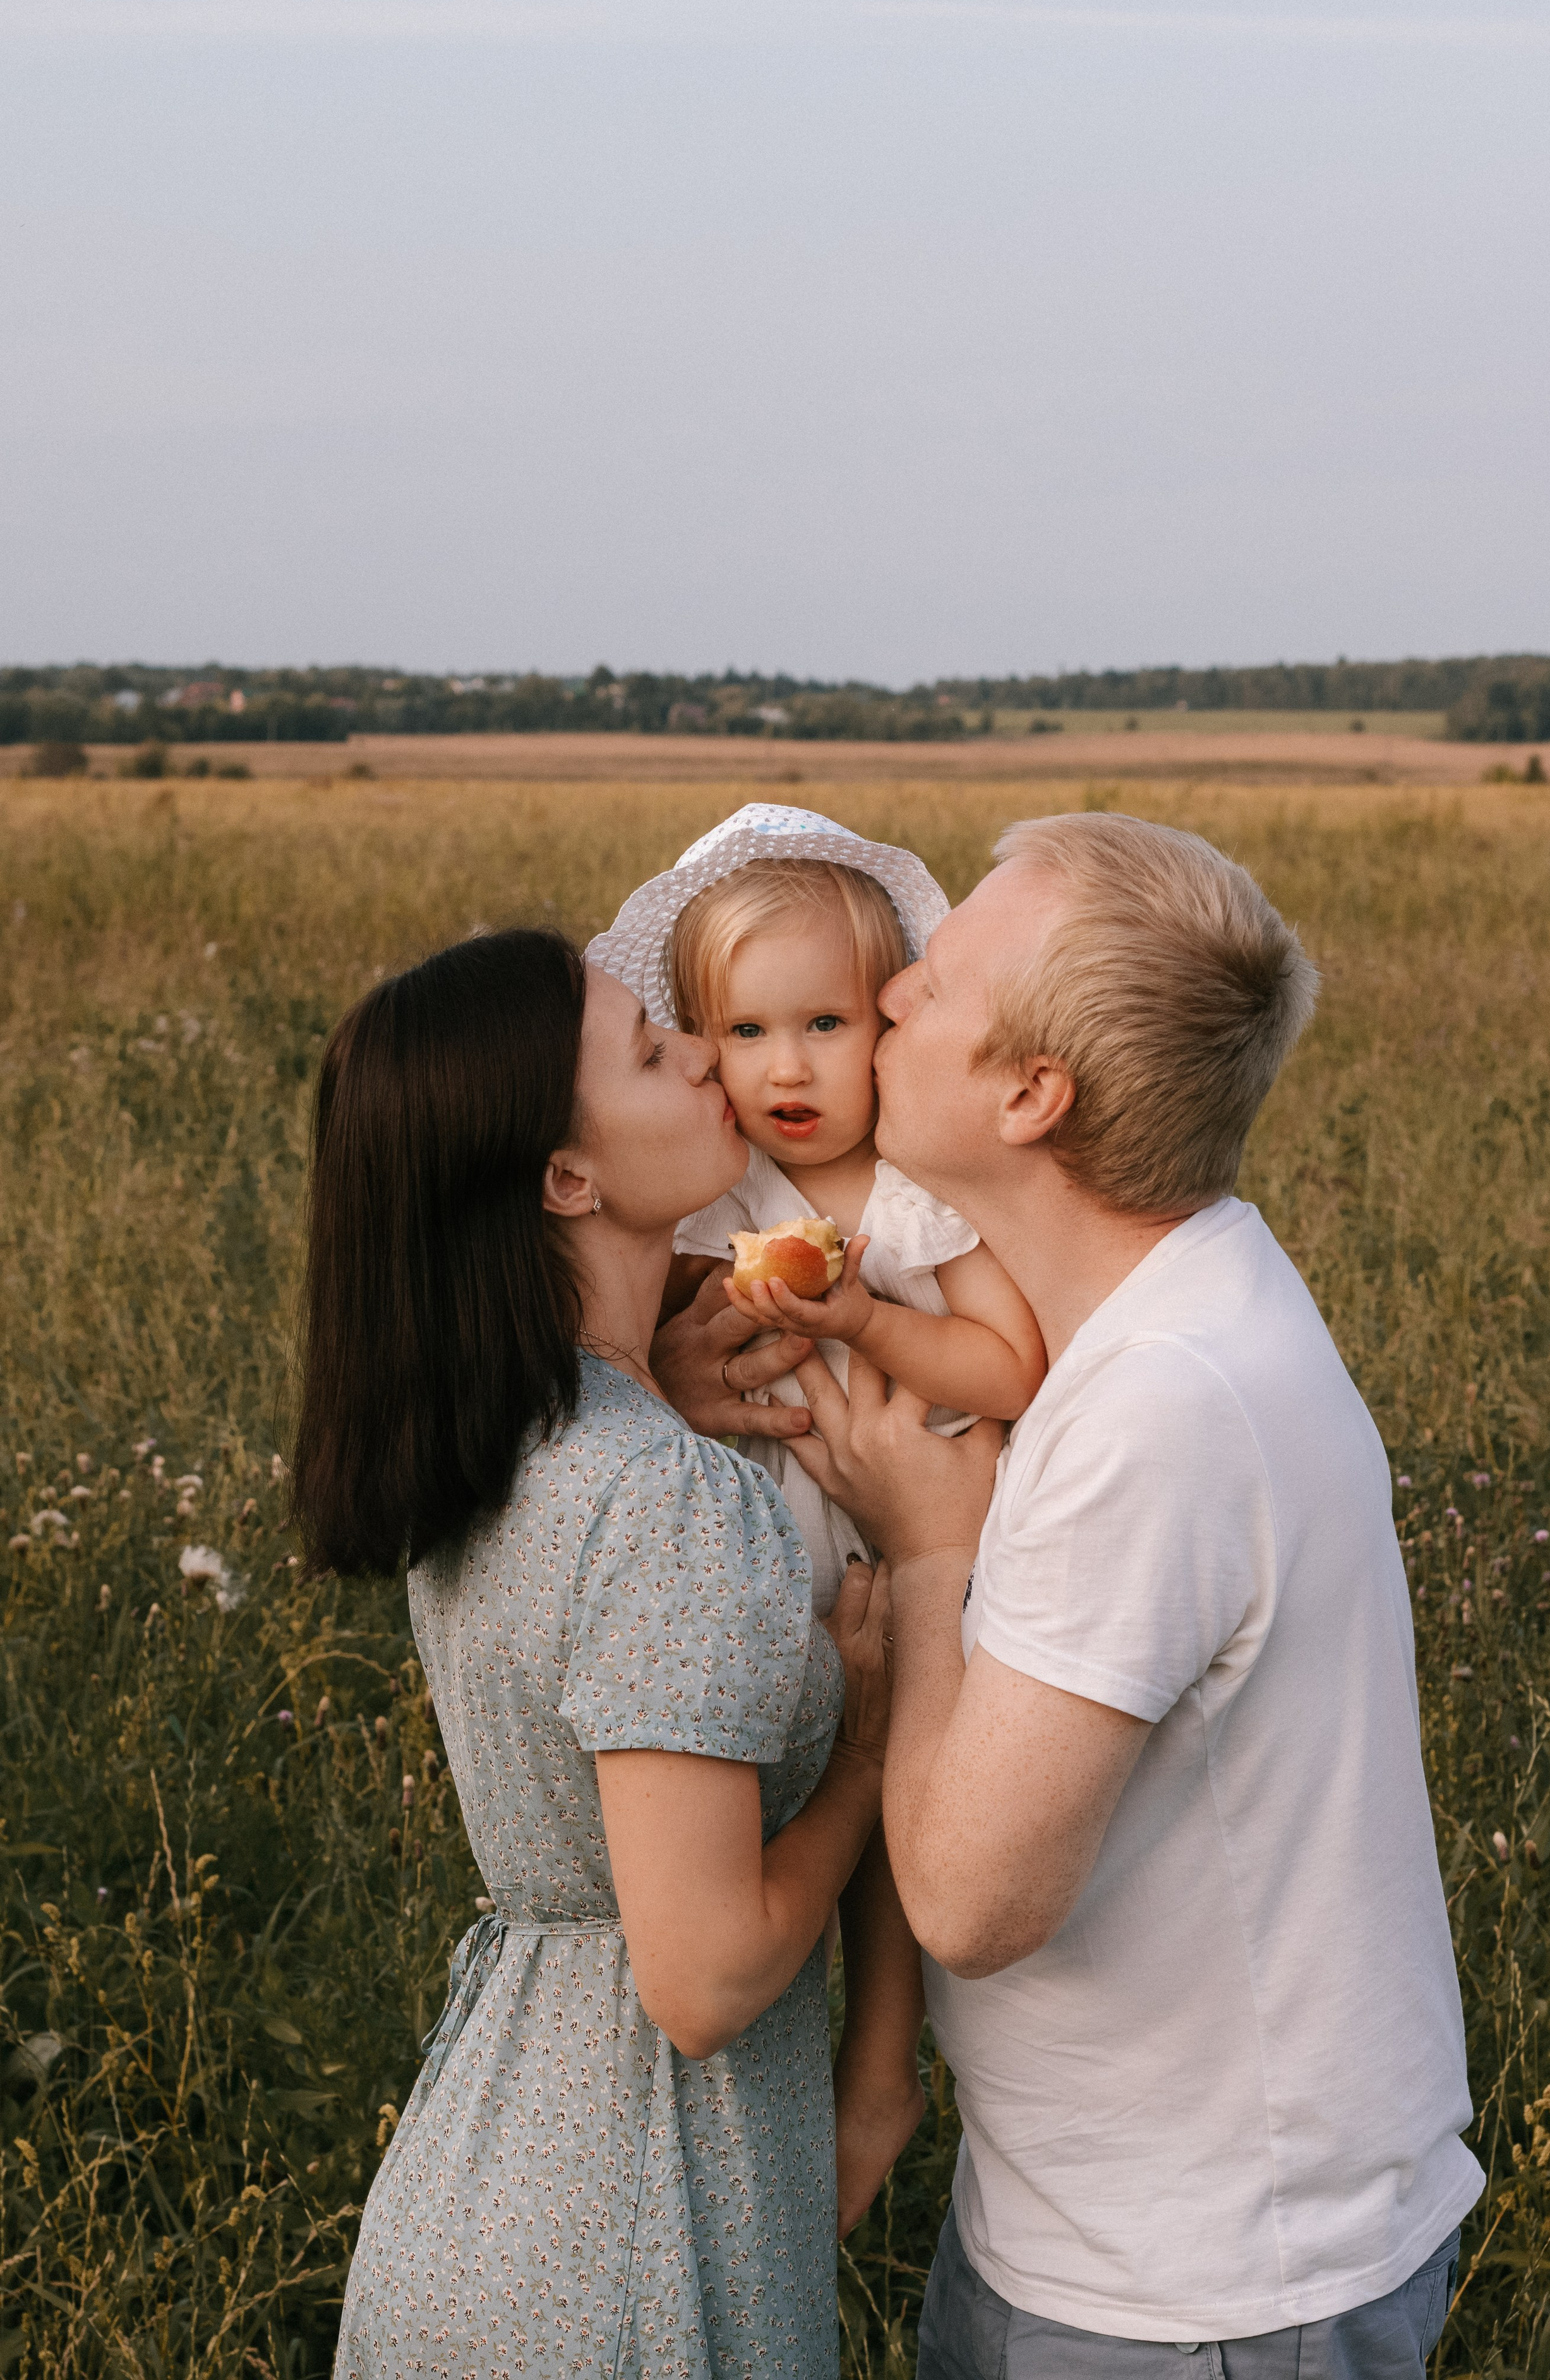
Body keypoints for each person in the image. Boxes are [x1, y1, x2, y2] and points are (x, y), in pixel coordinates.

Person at [661, 812, 1484, 2374]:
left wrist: (919, 1553)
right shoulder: (1161, 1302)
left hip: (1207, 2288)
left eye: (934, 982)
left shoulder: (1159, 1409)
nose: (889, 990)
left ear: (1030, 1095)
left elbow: (971, 1899)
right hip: (1097, 2222)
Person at [294, 926, 891, 2379]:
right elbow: (702, 1980)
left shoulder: (502, 1438)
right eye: (648, 1049)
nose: (703, 1051)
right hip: (633, 2241)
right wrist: (872, 1735)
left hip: (482, 2199)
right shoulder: (653, 1491)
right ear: (567, 1180)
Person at [590, 804, 1043, 2234]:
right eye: (742, 1033)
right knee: (745, 1805)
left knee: (900, 1811)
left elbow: (1003, 1362)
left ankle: (878, 2065)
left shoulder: (916, 1200)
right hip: (759, 1555)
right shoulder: (715, 1192)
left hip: (908, 1543)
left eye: (826, 1025)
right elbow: (637, 1351)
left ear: (883, 1024)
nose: (785, 1068)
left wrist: (863, 1321)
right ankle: (746, 2070)